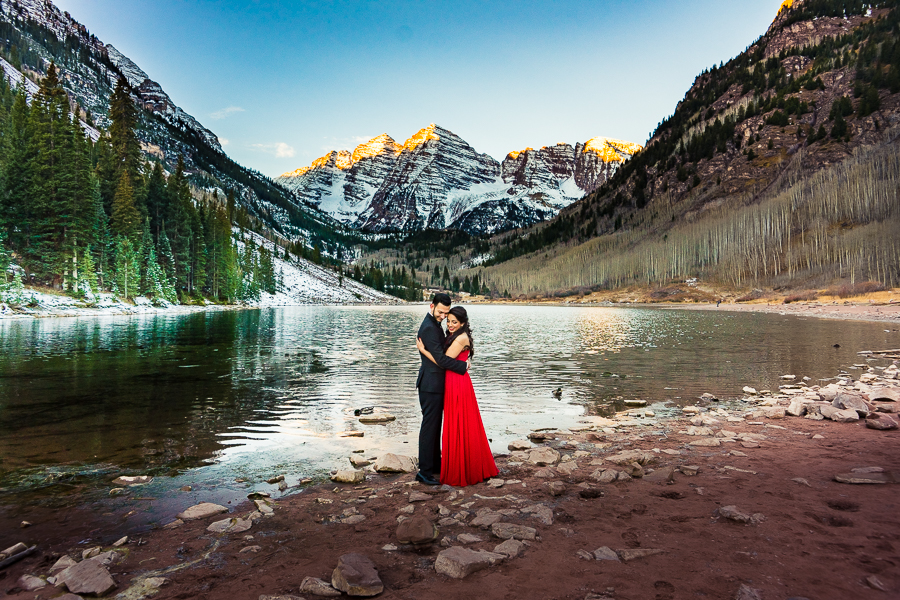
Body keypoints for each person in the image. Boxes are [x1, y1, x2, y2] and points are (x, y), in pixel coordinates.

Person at [417, 306, 498, 487]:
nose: (450, 324)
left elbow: (443, 361)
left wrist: (423, 351)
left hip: (457, 384)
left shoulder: (461, 338)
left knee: (459, 423)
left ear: (462, 323)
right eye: (449, 321)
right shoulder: (456, 335)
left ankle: (462, 467)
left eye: (454, 322)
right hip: (454, 382)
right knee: (459, 424)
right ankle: (457, 463)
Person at [415, 293, 469, 486]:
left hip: (435, 384)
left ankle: (434, 464)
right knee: (430, 426)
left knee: (435, 425)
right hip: (430, 385)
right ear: (432, 306)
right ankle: (424, 471)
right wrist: (463, 367)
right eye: (440, 312)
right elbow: (441, 360)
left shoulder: (435, 324)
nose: (443, 317)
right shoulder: (429, 328)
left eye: (446, 313)